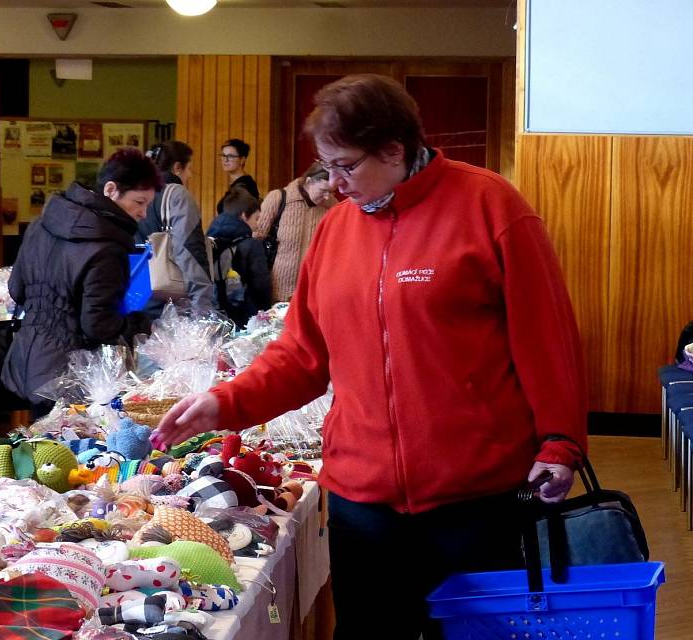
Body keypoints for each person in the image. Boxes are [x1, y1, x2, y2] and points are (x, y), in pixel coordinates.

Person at [154, 74, 587, 639]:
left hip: (475, 499)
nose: (333, 184)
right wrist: (225, 402)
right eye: (325, 167)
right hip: (363, 502)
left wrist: (560, 440)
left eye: (346, 166)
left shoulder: (490, 207)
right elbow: (303, 355)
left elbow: (546, 338)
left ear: (395, 149)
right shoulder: (336, 232)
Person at [3, 148, 159, 419]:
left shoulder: (43, 222)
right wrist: (142, 325)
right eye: (139, 202)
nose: (144, 213)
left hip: (28, 360)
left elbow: (16, 289)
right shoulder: (107, 247)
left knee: (40, 452)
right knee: (68, 454)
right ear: (111, 189)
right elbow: (98, 324)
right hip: (70, 374)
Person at [138, 141, 213, 316]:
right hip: (168, 299)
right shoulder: (177, 194)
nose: (191, 175)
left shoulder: (136, 193)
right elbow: (188, 248)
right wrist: (202, 303)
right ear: (177, 167)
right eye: (189, 169)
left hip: (136, 294)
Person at [253, 161, 333, 302]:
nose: (327, 196)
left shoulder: (332, 207)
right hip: (275, 292)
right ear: (309, 182)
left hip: (310, 294)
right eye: (323, 190)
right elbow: (256, 238)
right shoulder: (278, 198)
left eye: (331, 191)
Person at [206, 187, 271, 327]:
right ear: (243, 216)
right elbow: (261, 287)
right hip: (244, 318)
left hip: (212, 315)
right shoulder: (252, 245)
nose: (257, 224)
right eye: (256, 218)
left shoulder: (209, 240)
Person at [215, 138, 259, 214]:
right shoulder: (241, 183)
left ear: (242, 160)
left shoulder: (245, 185)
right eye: (223, 155)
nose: (225, 160)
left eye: (231, 156)